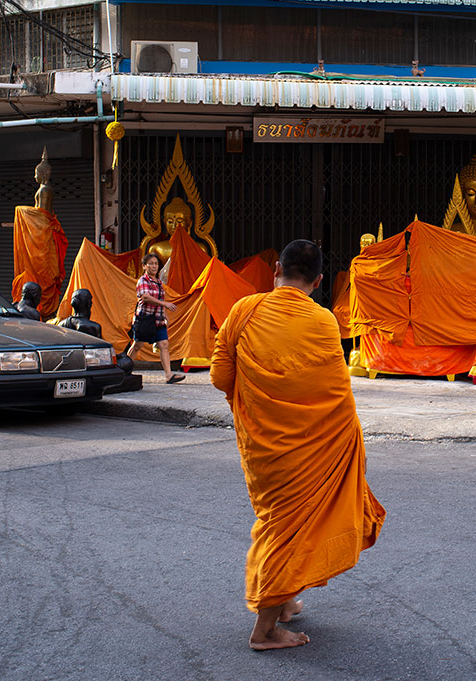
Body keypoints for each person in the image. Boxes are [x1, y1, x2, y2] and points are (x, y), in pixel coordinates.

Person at [210, 239, 386, 651]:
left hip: (263, 445)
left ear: (276, 270)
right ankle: (264, 631)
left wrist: (257, 398)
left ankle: (285, 601)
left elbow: (219, 376)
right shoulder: (324, 321)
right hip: (313, 447)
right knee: (290, 528)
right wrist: (350, 443)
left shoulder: (244, 310)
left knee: (281, 521)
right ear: (319, 281)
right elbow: (337, 393)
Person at [126, 253, 185, 384]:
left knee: (164, 344)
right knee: (137, 345)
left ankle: (169, 375)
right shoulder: (143, 281)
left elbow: (160, 300)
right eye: (151, 264)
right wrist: (165, 304)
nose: (154, 266)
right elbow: (146, 297)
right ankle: (125, 370)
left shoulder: (159, 282)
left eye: (156, 264)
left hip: (158, 320)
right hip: (145, 319)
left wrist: (165, 316)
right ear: (144, 266)